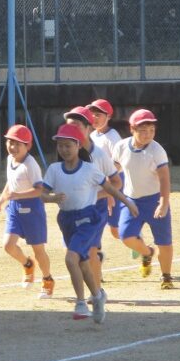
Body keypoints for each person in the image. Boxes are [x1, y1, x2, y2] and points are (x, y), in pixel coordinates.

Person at [39, 124, 137, 323]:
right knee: (83, 264)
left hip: (87, 219)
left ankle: (81, 302)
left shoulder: (90, 169)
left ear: (78, 145)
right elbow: (41, 194)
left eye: (68, 145)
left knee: (70, 259)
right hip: (66, 220)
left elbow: (111, 188)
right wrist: (51, 198)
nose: (64, 150)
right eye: (60, 146)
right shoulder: (54, 169)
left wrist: (128, 202)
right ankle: (98, 296)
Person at [110, 109, 175, 289]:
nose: (148, 135)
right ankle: (147, 253)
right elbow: (113, 172)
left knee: (164, 241)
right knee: (125, 235)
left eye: (151, 130)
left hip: (154, 200)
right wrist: (109, 194)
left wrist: (163, 203)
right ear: (132, 129)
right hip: (132, 201)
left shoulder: (157, 151)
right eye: (143, 130)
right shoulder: (121, 147)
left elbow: (164, 178)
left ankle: (166, 276)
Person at [63, 105, 121, 297]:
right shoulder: (67, 151)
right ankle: (93, 290)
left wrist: (102, 195)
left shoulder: (99, 155)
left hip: (95, 209)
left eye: (78, 125)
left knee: (90, 249)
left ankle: (96, 292)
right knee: (80, 253)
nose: (73, 129)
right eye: (70, 125)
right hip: (73, 210)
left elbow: (116, 181)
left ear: (88, 128)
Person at [0, 125, 54, 298]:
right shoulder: (9, 160)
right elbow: (10, 182)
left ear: (27, 146)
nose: (12, 147)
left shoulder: (31, 164)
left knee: (38, 250)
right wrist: (2, 197)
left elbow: (39, 190)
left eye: (17, 144)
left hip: (32, 209)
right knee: (8, 245)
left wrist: (15, 195)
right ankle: (27, 264)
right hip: (14, 207)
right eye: (10, 142)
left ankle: (47, 279)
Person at [87, 98, 123, 242]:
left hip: (114, 182)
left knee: (115, 228)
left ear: (108, 116)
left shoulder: (113, 136)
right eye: (92, 114)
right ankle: (95, 251)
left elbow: (119, 163)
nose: (94, 117)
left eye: (98, 114)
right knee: (98, 222)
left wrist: (109, 189)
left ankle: (138, 241)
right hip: (98, 184)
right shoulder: (91, 135)